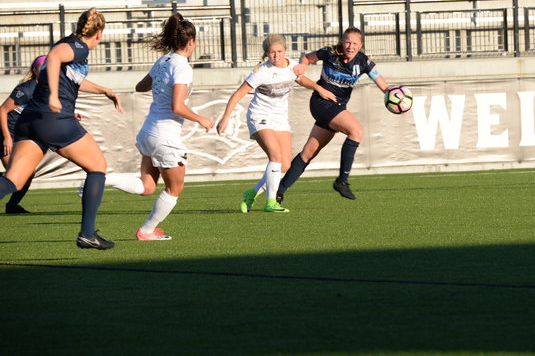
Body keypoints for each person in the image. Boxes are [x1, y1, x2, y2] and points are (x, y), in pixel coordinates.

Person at [0, 8, 123, 249]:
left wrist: (106, 91)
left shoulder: (69, 44)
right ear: (99, 34)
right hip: (54, 119)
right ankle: (88, 234)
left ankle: (88, 234)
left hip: (30, 119)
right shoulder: (79, 47)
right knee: (98, 167)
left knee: (13, 180)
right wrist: (54, 96)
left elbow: (74, 79)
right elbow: (54, 56)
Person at [216, 34, 336, 213]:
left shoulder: (292, 66)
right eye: (272, 52)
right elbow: (238, 94)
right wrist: (225, 118)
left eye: (279, 51)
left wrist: (319, 89)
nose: (276, 56)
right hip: (259, 116)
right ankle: (271, 202)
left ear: (285, 51)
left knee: (284, 165)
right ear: (266, 53)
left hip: (279, 119)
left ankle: (251, 193)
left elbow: (300, 79)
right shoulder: (262, 72)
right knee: (276, 157)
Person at [276, 27, 390, 203]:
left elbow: (384, 86)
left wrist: (398, 94)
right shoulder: (329, 52)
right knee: (356, 131)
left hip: (336, 107)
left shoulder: (364, 62)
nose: (350, 46)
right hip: (321, 103)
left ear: (361, 45)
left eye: (355, 43)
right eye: (347, 42)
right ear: (342, 41)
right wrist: (303, 65)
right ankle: (342, 181)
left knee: (308, 153)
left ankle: (278, 192)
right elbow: (307, 57)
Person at [132, 12, 214, 241]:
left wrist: (160, 81)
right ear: (192, 41)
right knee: (175, 189)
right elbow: (177, 107)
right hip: (164, 136)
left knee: (147, 186)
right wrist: (201, 119)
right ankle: (147, 231)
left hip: (148, 131)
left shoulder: (163, 61)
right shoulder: (182, 67)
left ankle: (103, 178)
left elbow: (140, 87)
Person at [0, 55, 46, 214]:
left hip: (20, 136)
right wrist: (7, 137)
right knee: (17, 174)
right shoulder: (27, 88)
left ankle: (12, 206)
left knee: (28, 173)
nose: (45, 68)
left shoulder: (47, 89)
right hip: (6, 133)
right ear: (34, 69)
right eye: (42, 66)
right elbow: (2, 110)